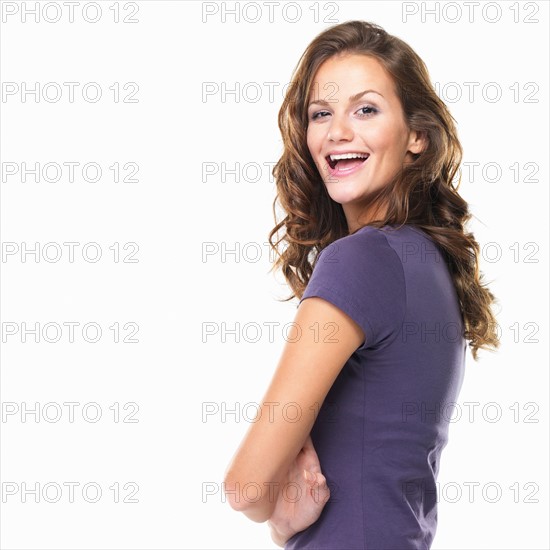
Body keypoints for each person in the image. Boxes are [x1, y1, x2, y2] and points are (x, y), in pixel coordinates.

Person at [223, 20, 500, 549]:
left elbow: (247, 487)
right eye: (320, 114)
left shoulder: (361, 260)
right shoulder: (425, 259)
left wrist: (279, 520)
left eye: (366, 109)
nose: (337, 131)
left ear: (417, 135)